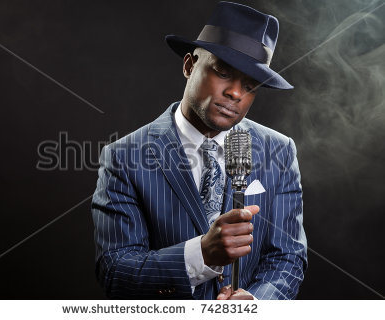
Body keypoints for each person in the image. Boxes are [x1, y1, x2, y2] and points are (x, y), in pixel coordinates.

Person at [91, 1, 307, 299]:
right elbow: (115, 271)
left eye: (251, 85)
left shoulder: (279, 151)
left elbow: (288, 258)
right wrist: (200, 254)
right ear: (190, 65)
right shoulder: (123, 157)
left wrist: (257, 304)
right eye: (223, 72)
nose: (235, 93)